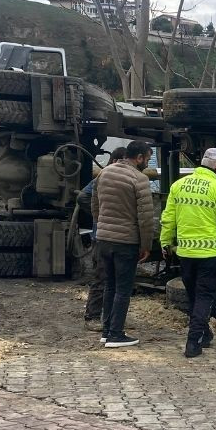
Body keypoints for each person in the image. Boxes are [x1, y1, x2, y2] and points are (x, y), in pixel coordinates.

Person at [160, 147, 216, 358]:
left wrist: (165, 243)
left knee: (193, 295)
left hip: (185, 252)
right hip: (208, 254)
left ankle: (205, 333)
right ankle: (193, 342)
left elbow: (168, 219)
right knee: (203, 297)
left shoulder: (178, 186)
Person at [92, 141, 157, 349]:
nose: (146, 163)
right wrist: (146, 245)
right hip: (125, 241)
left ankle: (106, 331)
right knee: (123, 289)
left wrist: (102, 226)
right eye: (147, 159)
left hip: (104, 239)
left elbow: (95, 204)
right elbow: (145, 218)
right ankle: (116, 334)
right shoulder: (139, 179)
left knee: (109, 285)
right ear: (139, 157)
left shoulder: (105, 173)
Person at [80, 147, 128, 328]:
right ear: (116, 160)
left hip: (114, 236)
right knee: (101, 277)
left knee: (115, 279)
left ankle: (112, 318)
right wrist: (100, 214)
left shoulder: (118, 179)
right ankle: (92, 317)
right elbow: (83, 197)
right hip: (101, 236)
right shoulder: (103, 178)